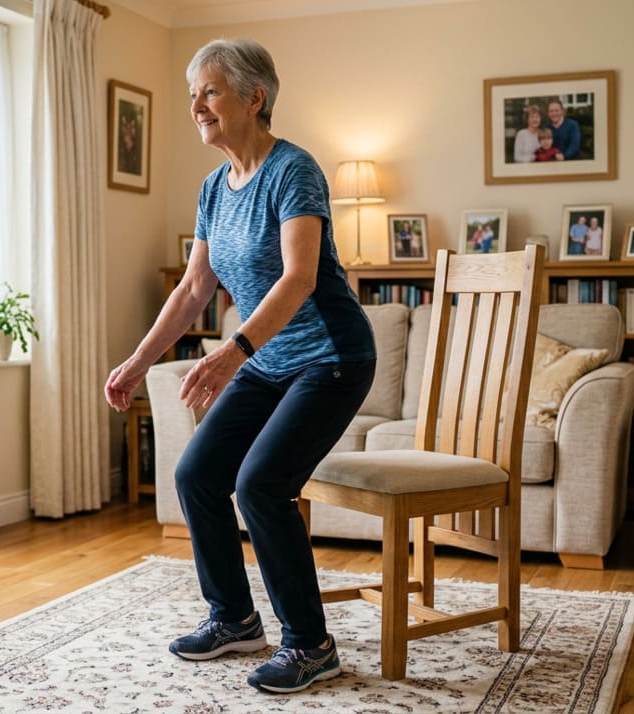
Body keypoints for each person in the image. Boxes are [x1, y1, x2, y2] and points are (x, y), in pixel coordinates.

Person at [103, 38, 376, 695]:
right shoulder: (212, 189)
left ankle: (311, 645)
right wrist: (139, 362)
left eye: (211, 91)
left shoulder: (294, 171)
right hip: (271, 358)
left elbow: (300, 279)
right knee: (197, 474)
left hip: (330, 357)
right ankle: (234, 618)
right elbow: (194, 288)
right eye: (193, 93)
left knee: (260, 484)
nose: (197, 104)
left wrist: (233, 351)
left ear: (255, 98)